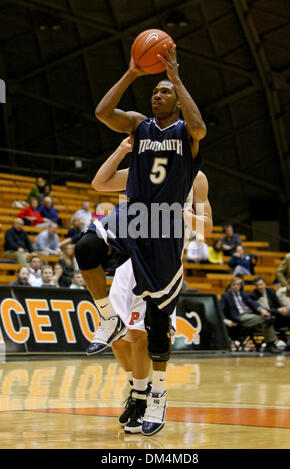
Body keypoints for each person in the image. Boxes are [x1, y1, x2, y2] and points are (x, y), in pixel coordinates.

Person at [75, 42, 207, 436]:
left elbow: (200, 126)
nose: (157, 94)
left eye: (164, 92)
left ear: (178, 102)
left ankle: (157, 396)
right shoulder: (138, 125)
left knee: (156, 323)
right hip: (135, 216)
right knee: (86, 246)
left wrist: (176, 77)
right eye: (155, 91)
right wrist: (133, 72)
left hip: (165, 228)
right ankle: (107, 317)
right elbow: (101, 113)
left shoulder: (187, 134)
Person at [85, 137, 212, 433]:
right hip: (130, 252)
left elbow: (206, 226)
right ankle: (136, 389)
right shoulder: (145, 167)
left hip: (162, 260)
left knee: (140, 332)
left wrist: (181, 214)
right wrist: (122, 150)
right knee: (117, 332)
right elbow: (100, 184)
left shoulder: (197, 177)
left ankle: (147, 396)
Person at [220, 276, 280, 353]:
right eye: (234, 284)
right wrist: (225, 320)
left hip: (251, 315)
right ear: (231, 285)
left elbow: (252, 303)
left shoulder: (244, 294)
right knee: (267, 318)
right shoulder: (226, 296)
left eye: (238, 284)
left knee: (268, 319)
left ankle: (270, 345)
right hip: (240, 317)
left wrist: (261, 310)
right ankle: (270, 344)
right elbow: (221, 309)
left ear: (240, 286)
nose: (235, 286)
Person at [251, 276, 290, 343]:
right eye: (257, 285)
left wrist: (282, 309)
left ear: (265, 284)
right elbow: (263, 310)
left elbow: (278, 304)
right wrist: (277, 310)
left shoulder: (271, 291)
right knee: (270, 318)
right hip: (266, 319)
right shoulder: (253, 295)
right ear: (255, 286)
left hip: (276, 316)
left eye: (261, 284)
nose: (259, 287)